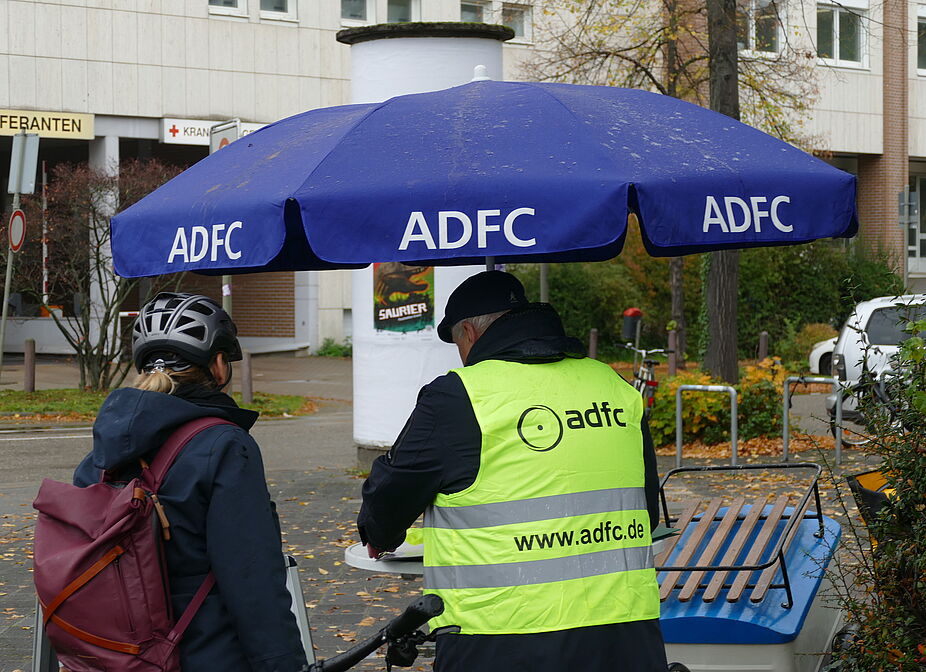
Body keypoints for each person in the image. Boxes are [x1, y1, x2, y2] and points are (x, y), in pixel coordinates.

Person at [358, 271, 668, 672]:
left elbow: (392, 494)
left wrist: (378, 533)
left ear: (468, 332)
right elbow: (646, 510)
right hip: (625, 634)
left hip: (502, 638)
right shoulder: (613, 386)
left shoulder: (459, 396)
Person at [73, 292, 308, 672]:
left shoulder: (102, 453)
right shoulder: (224, 445)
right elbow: (252, 577)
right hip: (206, 651)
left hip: (116, 653)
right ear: (217, 365)